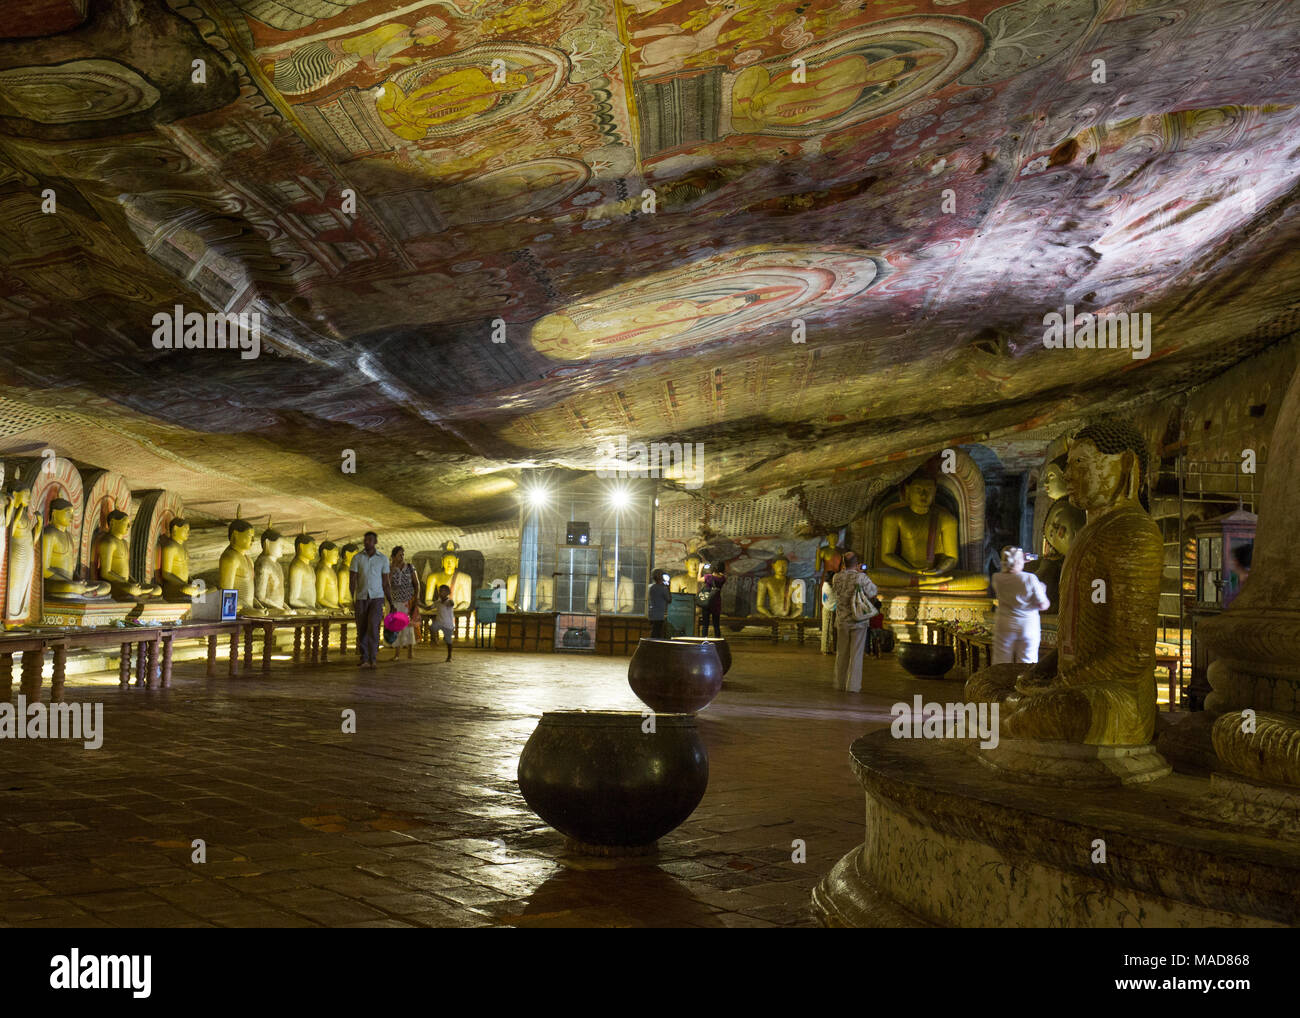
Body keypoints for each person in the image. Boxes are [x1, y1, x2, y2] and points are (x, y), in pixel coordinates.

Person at [990, 546, 1050, 665]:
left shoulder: (997, 578)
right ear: (1019, 561)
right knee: (1027, 662)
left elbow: (1011, 573)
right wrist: (1042, 589)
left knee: (1001, 662)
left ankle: (1000, 683)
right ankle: (1022, 683)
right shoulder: (1030, 578)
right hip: (1028, 625)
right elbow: (1043, 605)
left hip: (1005, 625)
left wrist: (1017, 562)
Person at [832, 551, 878, 692]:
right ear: (857, 563)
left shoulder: (836, 577)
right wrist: (862, 574)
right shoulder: (861, 577)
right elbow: (873, 592)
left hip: (841, 620)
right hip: (858, 621)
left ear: (844, 563)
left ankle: (838, 683)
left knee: (842, 653)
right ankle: (852, 686)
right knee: (856, 655)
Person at [349, 531, 391, 669]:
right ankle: (364, 658)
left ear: (375, 542)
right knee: (361, 628)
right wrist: (352, 598)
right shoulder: (357, 558)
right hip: (361, 597)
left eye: (370, 540)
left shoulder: (383, 559)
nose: (367, 542)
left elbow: (385, 582)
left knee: (373, 627)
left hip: (377, 598)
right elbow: (353, 579)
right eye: (365, 540)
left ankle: (373, 658)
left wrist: (390, 601)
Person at [386, 545, 419, 661]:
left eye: (403, 554)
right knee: (396, 627)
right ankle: (397, 654)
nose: (402, 557)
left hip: (408, 601)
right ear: (393, 557)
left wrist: (416, 597)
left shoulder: (410, 567)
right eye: (400, 555)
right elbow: (387, 584)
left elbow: (416, 583)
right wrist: (392, 569)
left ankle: (410, 652)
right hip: (395, 602)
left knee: (409, 627)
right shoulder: (390, 568)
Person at [700, 561, 725, 637]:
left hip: (707, 602)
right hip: (717, 603)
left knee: (705, 625)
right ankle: (718, 642)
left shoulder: (708, 577)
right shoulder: (723, 578)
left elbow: (698, 579)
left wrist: (700, 568)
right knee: (716, 625)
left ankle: (704, 641)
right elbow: (721, 574)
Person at [433, 583, 455, 662]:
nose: (440, 593)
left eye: (442, 591)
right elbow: (428, 607)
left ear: (447, 593)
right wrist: (418, 604)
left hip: (448, 625)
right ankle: (435, 640)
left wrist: (443, 601)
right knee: (432, 627)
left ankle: (449, 656)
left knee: (448, 642)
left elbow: (451, 603)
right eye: (440, 591)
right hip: (439, 622)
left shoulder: (449, 601)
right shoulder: (437, 602)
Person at [648, 569, 671, 637]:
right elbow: (669, 599)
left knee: (654, 631)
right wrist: (668, 588)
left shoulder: (651, 587)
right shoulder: (663, 588)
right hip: (660, 615)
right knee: (658, 632)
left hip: (652, 613)